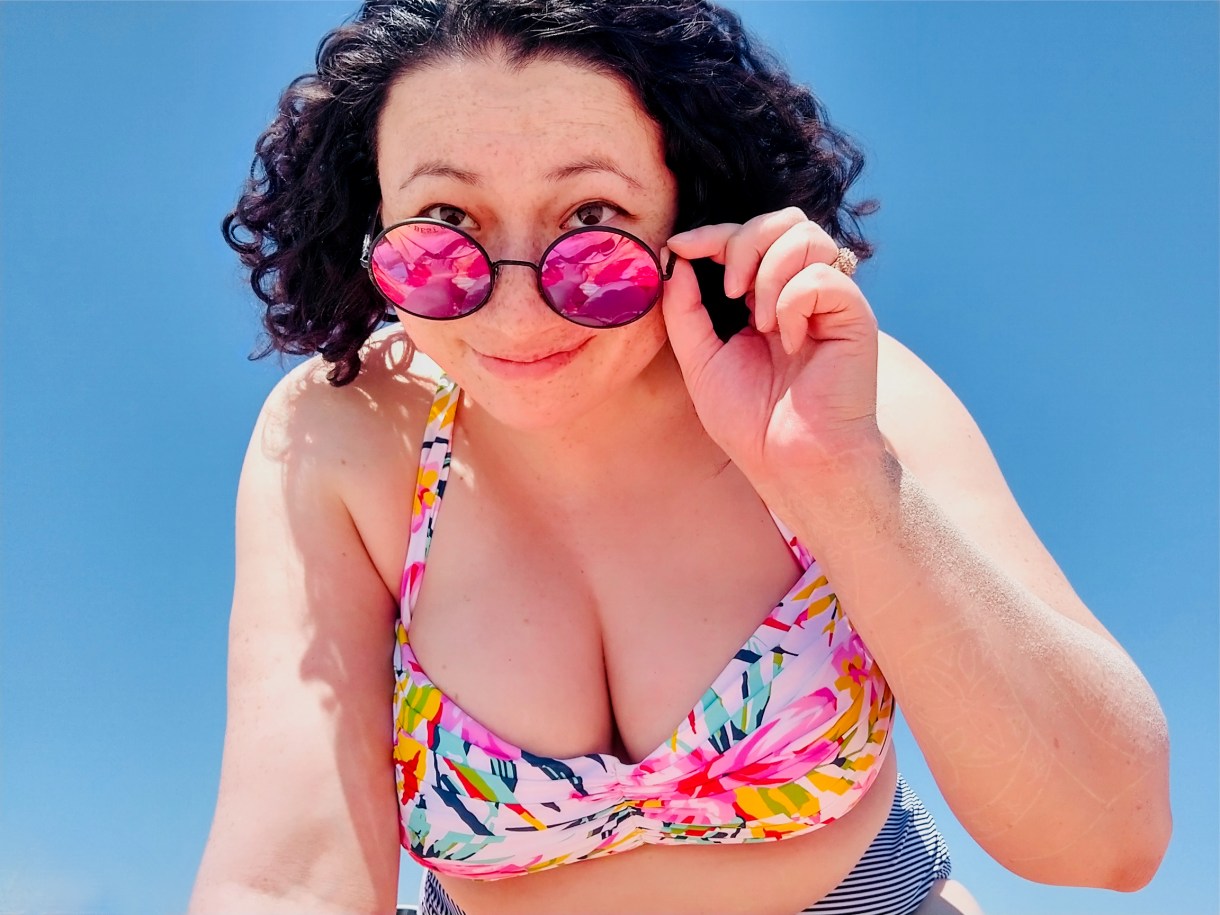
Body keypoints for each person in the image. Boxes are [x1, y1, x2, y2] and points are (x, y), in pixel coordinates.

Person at [188, 2, 1172, 913]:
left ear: (687, 207)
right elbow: (283, 879)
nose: (516, 312)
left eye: (591, 222)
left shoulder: (837, 392)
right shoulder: (349, 431)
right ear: (370, 223)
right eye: (444, 228)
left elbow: (1106, 842)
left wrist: (841, 479)